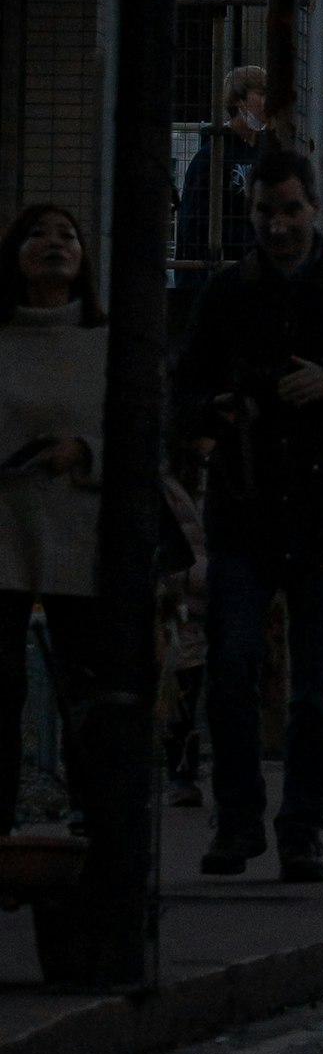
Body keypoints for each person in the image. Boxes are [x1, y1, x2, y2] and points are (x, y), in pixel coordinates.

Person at [170, 153, 323, 886]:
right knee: (231, 664)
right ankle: (241, 819)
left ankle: (299, 828)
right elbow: (186, 384)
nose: (277, 225)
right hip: (249, 504)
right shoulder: (231, 293)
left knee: (317, 683)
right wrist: (218, 410)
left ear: (314, 207)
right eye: (267, 212)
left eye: (289, 210)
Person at [2, 197, 107, 941]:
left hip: (81, 533)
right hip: (3, 531)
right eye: (37, 233)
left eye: (67, 234)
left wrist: (84, 451)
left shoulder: (107, 341)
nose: (53, 243)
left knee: (88, 691)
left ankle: (92, 824)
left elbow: (134, 427)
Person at [173, 64, 278, 289]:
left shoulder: (265, 152)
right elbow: (193, 222)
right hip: (223, 271)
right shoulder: (212, 156)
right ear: (239, 100)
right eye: (261, 94)